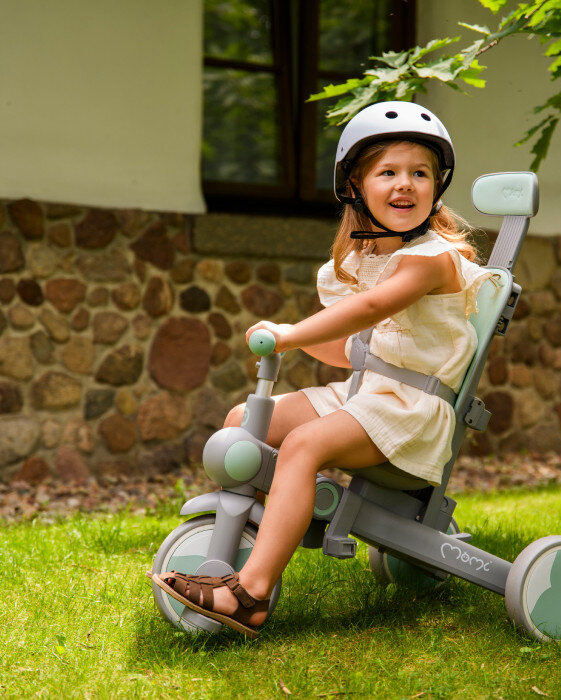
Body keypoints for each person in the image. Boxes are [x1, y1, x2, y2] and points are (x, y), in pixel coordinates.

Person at [150, 101, 493, 637]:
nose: (406, 184)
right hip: (364, 394)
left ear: (436, 187)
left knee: (304, 445)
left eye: (419, 173)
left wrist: (289, 333)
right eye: (389, 172)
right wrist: (309, 339)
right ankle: (258, 536)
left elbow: (372, 310)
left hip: (412, 412)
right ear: (356, 187)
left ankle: (251, 595)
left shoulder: (435, 257)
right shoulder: (364, 262)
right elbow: (347, 350)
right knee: (244, 418)